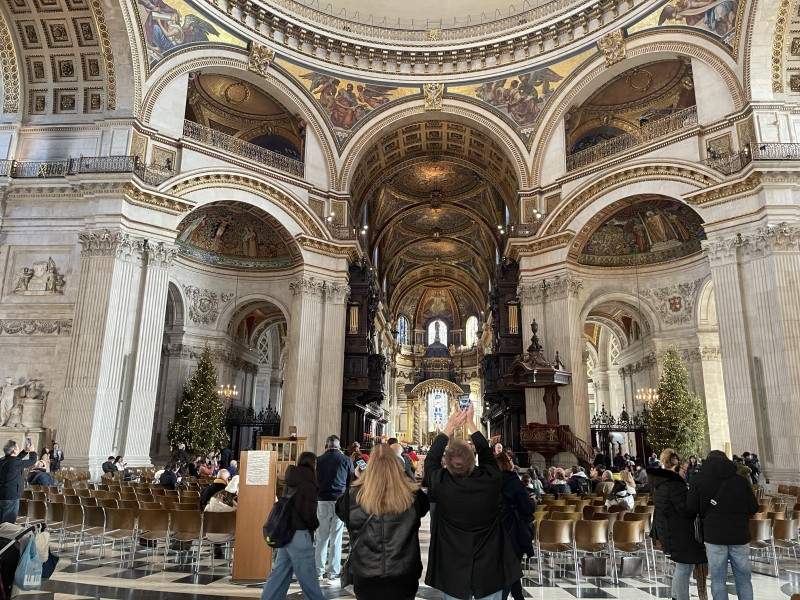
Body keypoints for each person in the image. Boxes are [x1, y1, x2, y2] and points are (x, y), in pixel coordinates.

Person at [425, 406, 521, 600]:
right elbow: (487, 454)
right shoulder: (491, 479)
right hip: (490, 564)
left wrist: (449, 426)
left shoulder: (441, 483)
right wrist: (471, 424)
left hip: (452, 566)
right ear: (473, 461)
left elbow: (430, 461)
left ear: (448, 464)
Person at [335, 444, 429, 600]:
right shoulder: (412, 494)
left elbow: (341, 511)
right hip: (403, 573)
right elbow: (424, 507)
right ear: (396, 465)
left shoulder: (353, 495)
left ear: (370, 466)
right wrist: (404, 476)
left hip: (366, 573)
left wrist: (357, 480)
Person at [687, 450, 758, 600]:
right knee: (744, 579)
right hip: (739, 535)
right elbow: (753, 508)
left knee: (718, 580)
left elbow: (691, 509)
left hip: (714, 536)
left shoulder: (698, 480)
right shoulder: (740, 480)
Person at [261, 452, 324, 600]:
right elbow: (307, 512)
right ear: (313, 464)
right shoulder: (309, 483)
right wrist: (314, 525)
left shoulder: (291, 479)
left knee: (280, 573)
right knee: (309, 577)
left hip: (286, 531)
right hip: (300, 533)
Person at [648, 449, 708, 600]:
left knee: (682, 566)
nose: (685, 472)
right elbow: (685, 509)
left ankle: (677, 596)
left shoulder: (660, 482)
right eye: (683, 469)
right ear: (675, 467)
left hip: (667, 529)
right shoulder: (675, 484)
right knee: (684, 566)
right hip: (677, 531)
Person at [315, 434, 353, 583]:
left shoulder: (318, 460)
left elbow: (315, 480)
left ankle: (318, 572)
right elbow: (351, 481)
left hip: (322, 501)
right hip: (339, 501)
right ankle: (333, 573)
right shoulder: (346, 460)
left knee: (321, 537)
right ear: (338, 446)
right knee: (336, 538)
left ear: (327, 445)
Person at [495, 452, 534, 600]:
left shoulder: (491, 483)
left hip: (497, 531)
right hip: (514, 531)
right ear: (507, 464)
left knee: (511, 571)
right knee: (511, 570)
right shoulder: (513, 482)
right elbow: (527, 509)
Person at [0, 439, 37, 523]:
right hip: (11, 496)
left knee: (2, 521)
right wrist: (32, 451)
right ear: (14, 450)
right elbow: (32, 461)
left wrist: (25, 451)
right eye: (18, 447)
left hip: (2, 494)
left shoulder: (3, 460)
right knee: (8, 523)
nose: (19, 448)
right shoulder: (15, 462)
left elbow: (16, 459)